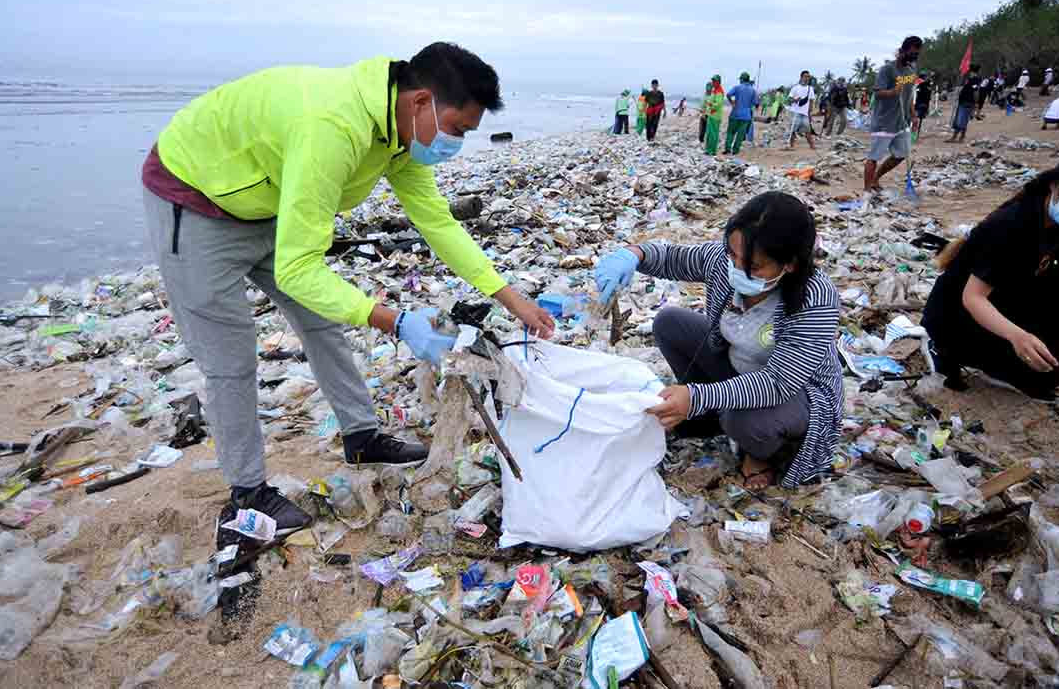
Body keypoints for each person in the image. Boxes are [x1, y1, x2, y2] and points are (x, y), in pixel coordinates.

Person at [142, 42, 556, 537]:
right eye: (458, 128)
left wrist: (511, 298)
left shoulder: (398, 131)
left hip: (267, 200)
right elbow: (298, 270)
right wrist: (396, 322)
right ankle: (247, 495)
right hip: (196, 198)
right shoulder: (333, 127)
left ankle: (362, 436)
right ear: (421, 102)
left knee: (322, 322)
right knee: (230, 357)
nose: (457, 143)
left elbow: (438, 224)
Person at [592, 192, 842, 488]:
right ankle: (710, 418)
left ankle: (763, 453)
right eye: (733, 255)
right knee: (668, 322)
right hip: (739, 365)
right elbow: (673, 259)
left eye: (755, 266)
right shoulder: (724, 264)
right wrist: (634, 255)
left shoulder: (815, 299)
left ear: (790, 264)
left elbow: (778, 382)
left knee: (743, 422)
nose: (738, 270)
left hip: (795, 395)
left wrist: (697, 396)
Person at [924, 150, 1059, 399]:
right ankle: (947, 348)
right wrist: (1018, 336)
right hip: (958, 316)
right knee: (1056, 375)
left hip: (1007, 296)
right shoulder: (1012, 224)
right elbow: (973, 298)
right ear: (1057, 185)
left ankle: (1033, 345)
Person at [864, 36, 921, 192]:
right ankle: (866, 192)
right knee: (874, 158)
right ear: (903, 50)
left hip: (902, 122)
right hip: (884, 121)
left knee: (901, 154)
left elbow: (909, 96)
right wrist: (892, 92)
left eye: (917, 53)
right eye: (912, 52)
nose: (914, 56)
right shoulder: (888, 69)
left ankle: (876, 178)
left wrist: (914, 116)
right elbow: (877, 93)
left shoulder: (911, 71)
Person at [723, 72, 758, 154]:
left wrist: (732, 103)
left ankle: (727, 149)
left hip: (735, 113)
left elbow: (728, 94)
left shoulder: (737, 87)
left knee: (730, 132)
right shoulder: (753, 90)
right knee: (740, 134)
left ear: (742, 79)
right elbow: (756, 103)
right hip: (746, 116)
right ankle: (735, 151)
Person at [947, 64, 980, 143]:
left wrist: (976, 103)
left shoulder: (975, 80)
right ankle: (955, 137)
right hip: (962, 102)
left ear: (972, 71)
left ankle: (961, 137)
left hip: (968, 102)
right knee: (960, 120)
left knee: (961, 121)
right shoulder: (969, 79)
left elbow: (976, 92)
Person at [785, 71, 817, 151]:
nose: (807, 78)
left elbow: (811, 101)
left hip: (805, 113)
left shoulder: (810, 89)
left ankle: (812, 146)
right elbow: (789, 100)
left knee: (808, 130)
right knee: (793, 130)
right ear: (801, 77)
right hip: (795, 112)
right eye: (805, 76)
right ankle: (791, 146)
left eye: (808, 77)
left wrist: (810, 113)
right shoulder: (795, 88)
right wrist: (795, 100)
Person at [704, 75, 726, 155]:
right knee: (709, 133)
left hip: (715, 116)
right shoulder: (715, 90)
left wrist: (709, 104)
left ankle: (712, 151)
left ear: (718, 82)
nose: (713, 82)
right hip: (711, 114)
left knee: (713, 134)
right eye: (712, 81)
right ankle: (708, 149)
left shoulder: (719, 91)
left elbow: (717, 104)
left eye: (714, 81)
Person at [913, 72, 933, 139]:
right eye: (925, 77)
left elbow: (928, 97)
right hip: (920, 104)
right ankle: (915, 135)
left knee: (916, 119)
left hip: (920, 104)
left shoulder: (923, 85)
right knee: (916, 119)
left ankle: (914, 135)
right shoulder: (922, 85)